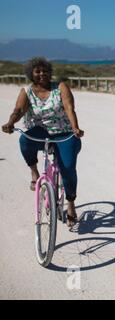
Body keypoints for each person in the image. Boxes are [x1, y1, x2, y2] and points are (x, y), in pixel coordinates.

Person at [2, 57, 84, 227]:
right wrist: (11, 123)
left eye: (45, 70)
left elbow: (69, 107)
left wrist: (75, 127)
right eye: (37, 71)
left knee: (67, 168)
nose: (42, 74)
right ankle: (34, 172)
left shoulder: (60, 87)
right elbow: (18, 110)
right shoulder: (27, 91)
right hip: (40, 132)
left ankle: (70, 203)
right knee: (24, 141)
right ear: (31, 74)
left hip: (64, 132)